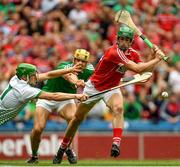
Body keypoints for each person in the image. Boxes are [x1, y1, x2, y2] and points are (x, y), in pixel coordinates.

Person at [52, 25, 166, 164]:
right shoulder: (114, 52)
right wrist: (157, 59)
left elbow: (145, 74)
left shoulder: (133, 53)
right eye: (121, 39)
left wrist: (153, 56)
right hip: (94, 88)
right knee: (76, 119)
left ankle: (116, 144)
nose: (123, 42)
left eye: (127, 40)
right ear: (117, 39)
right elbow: (137, 68)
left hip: (112, 88)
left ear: (131, 42)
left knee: (118, 108)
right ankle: (62, 148)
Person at [27, 49, 94, 164]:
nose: (81, 63)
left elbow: (98, 79)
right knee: (38, 128)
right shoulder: (63, 65)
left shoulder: (89, 70)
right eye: (78, 60)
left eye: (84, 61)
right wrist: (77, 82)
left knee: (74, 119)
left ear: (87, 63)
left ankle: (68, 148)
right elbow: (69, 76)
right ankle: (34, 155)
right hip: (47, 96)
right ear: (74, 60)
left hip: (66, 99)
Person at [0, 63, 88, 126]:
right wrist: (76, 96)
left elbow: (48, 74)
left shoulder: (17, 78)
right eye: (33, 75)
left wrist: (70, 69)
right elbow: (54, 96)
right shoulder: (24, 91)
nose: (36, 77)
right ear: (24, 77)